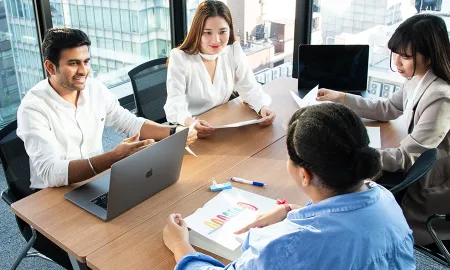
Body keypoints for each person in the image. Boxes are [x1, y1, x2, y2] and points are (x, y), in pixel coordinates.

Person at [162, 103, 415, 269]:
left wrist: (180, 246)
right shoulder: (384, 198)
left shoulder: (287, 246)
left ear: (304, 175)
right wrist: (292, 212)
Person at [316, 14, 450, 250]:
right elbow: (389, 107)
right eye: (395, 54)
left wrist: (355, 154)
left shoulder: (440, 96)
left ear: (430, 56)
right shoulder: (418, 78)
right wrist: (342, 98)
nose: (397, 63)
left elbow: (407, 157)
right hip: (411, 164)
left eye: (405, 57)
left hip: (424, 179)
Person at [17, 28, 197, 190]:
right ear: (50, 67)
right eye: (73, 63)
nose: (83, 71)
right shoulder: (33, 108)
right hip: (54, 194)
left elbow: (130, 123)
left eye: (86, 61)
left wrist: (176, 131)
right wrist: (113, 158)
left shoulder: (95, 88)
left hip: (98, 180)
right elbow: (50, 172)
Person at [164, 0, 275, 138]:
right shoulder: (180, 58)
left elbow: (249, 87)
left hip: (220, 127)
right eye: (207, 33)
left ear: (230, 30)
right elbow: (174, 106)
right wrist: (191, 123)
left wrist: (262, 107)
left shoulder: (232, 51)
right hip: (190, 132)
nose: (216, 40)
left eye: (222, 32)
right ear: (197, 32)